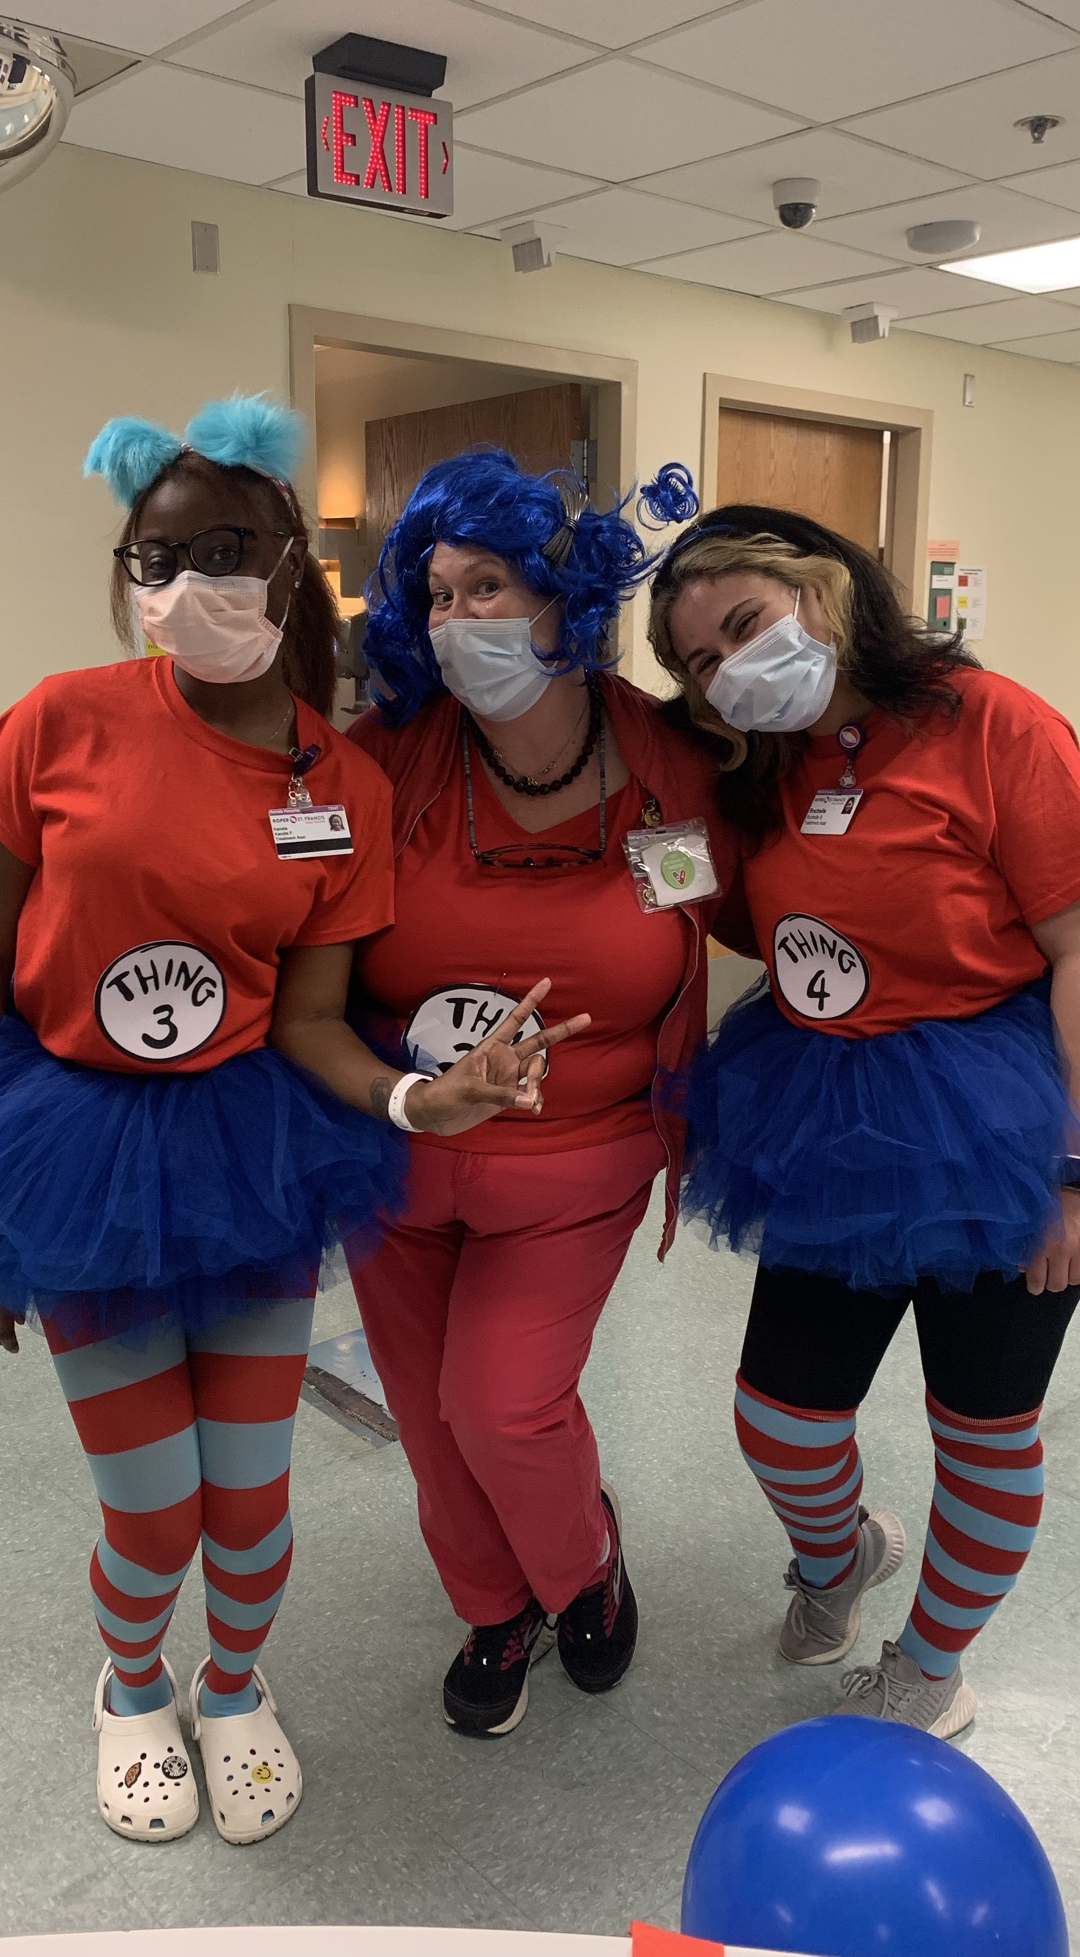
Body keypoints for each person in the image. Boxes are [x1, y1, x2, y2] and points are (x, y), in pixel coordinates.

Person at [0, 398, 578, 1845]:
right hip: (74, 1151)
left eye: (225, 551)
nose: (187, 583)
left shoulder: (342, 781)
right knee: (151, 1506)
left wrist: (416, 1097)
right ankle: (133, 1690)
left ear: (290, 561)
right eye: (157, 557)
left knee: (247, 1500)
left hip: (251, 1156)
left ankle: (234, 1685)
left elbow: (312, 1019)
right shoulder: (57, 721)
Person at [647, 506, 1080, 1738]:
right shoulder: (761, 766)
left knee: (981, 1423)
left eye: (746, 625)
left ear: (826, 589)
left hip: (1003, 1113)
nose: (730, 670)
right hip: (828, 1106)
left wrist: (1077, 1173)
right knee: (781, 1416)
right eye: (701, 661)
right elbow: (737, 916)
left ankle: (933, 1664)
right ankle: (841, 1555)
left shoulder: (996, 723)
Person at [346, 452, 742, 1737]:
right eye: (438, 594)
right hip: (394, 1149)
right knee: (428, 1420)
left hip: (579, 1154)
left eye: (490, 586)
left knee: (500, 1403)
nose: (459, 618)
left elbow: (769, 896)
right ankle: (493, 1605)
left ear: (565, 595)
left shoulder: (670, 764)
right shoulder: (385, 762)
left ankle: (583, 1566)